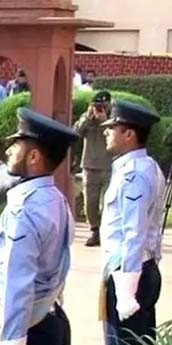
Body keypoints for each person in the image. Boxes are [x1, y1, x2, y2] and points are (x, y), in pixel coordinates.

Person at [0, 107, 78, 345]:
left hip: (29, 335)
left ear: (33, 157)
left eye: (17, 145)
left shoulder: (24, 210)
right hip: (52, 323)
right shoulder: (57, 200)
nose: (9, 151)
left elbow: (17, 288)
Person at [99, 100, 165, 345]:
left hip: (130, 275)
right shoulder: (142, 167)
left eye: (113, 127)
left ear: (129, 135)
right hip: (136, 271)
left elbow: (133, 233)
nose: (106, 132)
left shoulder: (134, 175)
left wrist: (126, 292)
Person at [74, 91, 113, 246]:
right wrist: (87, 118)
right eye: (97, 105)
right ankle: (95, 231)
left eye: (104, 105)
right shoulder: (87, 118)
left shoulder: (114, 117)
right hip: (90, 166)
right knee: (90, 203)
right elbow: (76, 132)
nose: (100, 108)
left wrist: (106, 121)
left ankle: (106, 230)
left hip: (109, 166)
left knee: (107, 202)